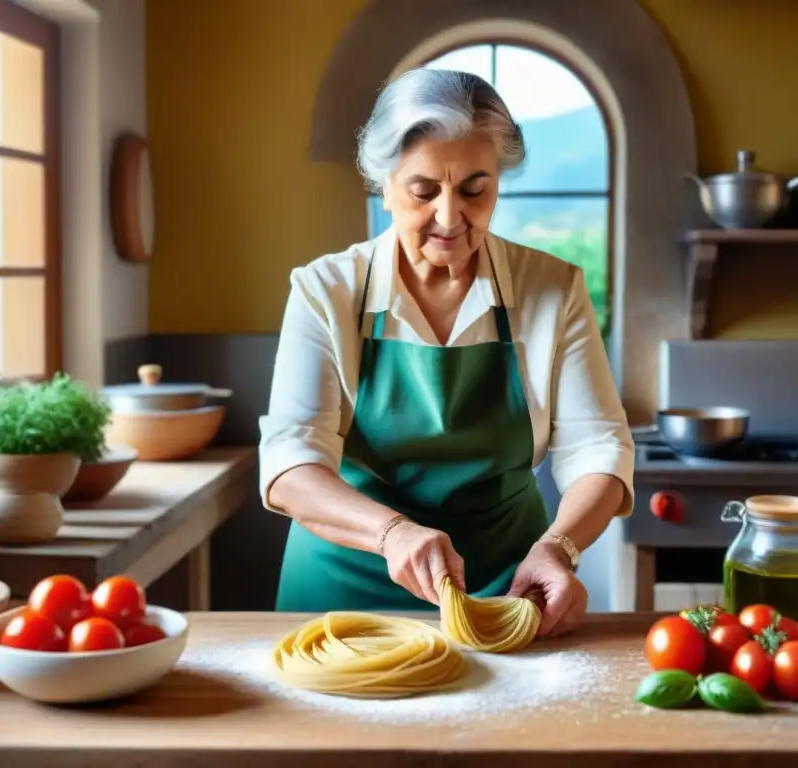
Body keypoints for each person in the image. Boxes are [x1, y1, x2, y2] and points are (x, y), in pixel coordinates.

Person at [258, 68, 634, 638]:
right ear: (383, 186)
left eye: (475, 190)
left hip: (506, 584)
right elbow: (290, 464)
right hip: (343, 584)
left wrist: (558, 546)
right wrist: (393, 534)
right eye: (424, 190)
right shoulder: (325, 290)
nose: (450, 217)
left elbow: (599, 450)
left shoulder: (552, 290)